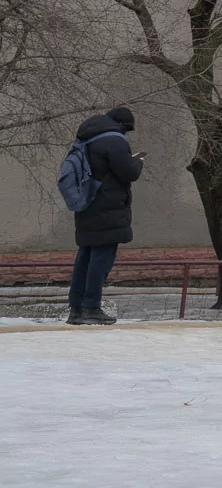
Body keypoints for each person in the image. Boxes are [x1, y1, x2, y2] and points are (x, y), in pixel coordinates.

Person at [66, 108, 142, 326]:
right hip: (108, 208)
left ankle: (76, 310)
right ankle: (91, 307)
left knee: (85, 256)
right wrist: (138, 162)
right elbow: (128, 173)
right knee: (101, 258)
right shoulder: (114, 141)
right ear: (121, 125)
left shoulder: (86, 140)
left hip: (86, 205)